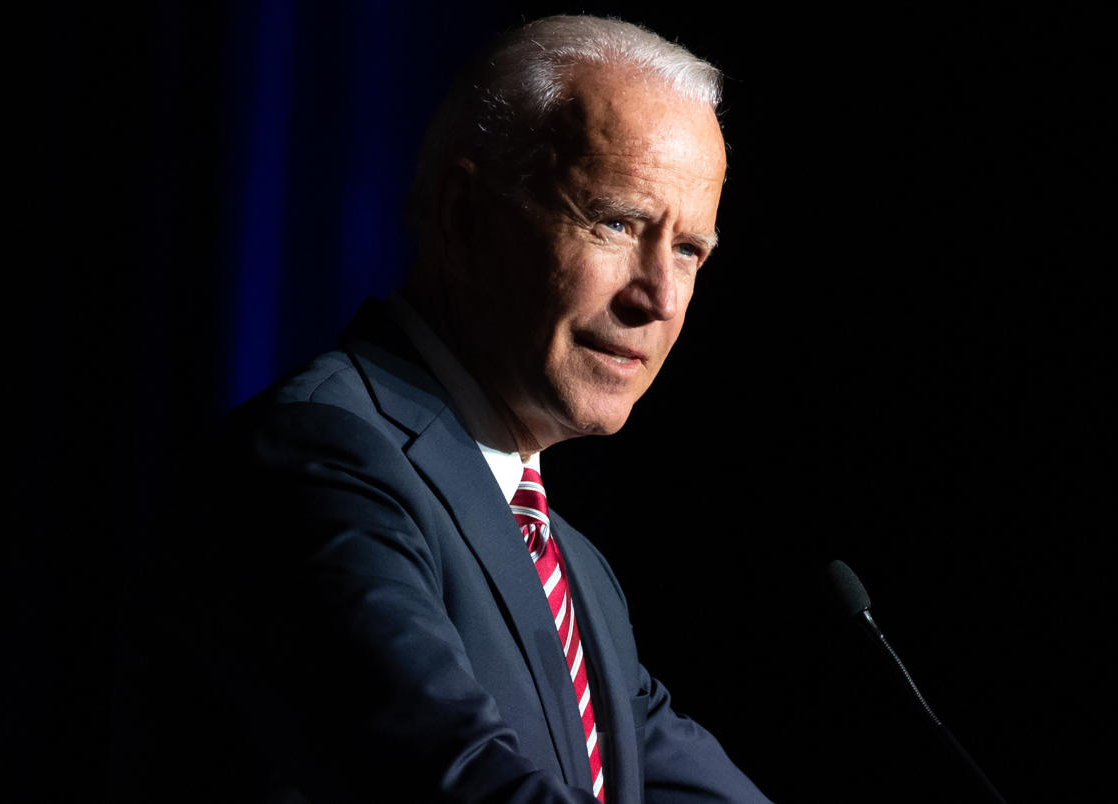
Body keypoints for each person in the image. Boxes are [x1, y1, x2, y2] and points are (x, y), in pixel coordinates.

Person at [202, 15, 772, 803]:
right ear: (465, 217)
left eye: (688, 250)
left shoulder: (575, 569)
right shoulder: (322, 456)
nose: (660, 298)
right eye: (616, 223)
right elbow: (462, 783)